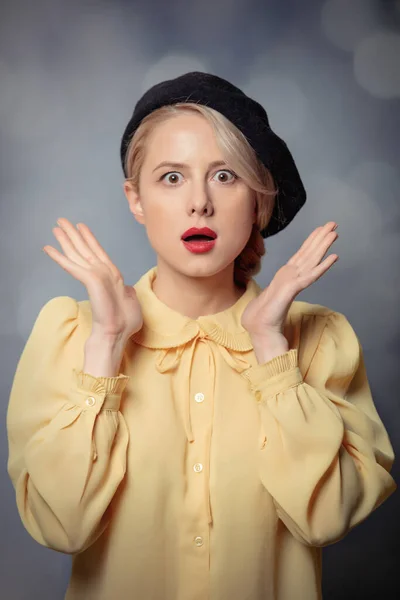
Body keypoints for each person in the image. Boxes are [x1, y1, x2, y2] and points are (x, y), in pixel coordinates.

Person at [6, 71, 396, 600]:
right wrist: (106, 345)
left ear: (259, 201)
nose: (199, 204)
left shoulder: (321, 339)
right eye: (171, 177)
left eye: (226, 176)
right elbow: (61, 527)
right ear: (136, 198)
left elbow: (325, 519)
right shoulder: (71, 335)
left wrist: (272, 352)